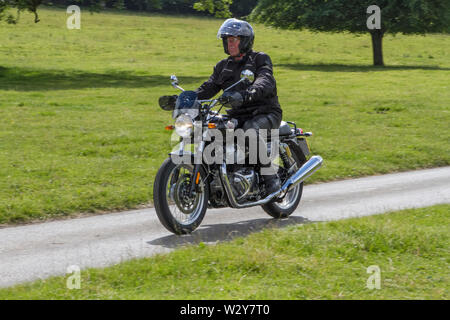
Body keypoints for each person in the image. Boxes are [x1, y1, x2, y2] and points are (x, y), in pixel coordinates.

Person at [195, 18, 282, 195]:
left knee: (250, 130)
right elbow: (209, 87)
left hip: (265, 112)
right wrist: (186, 97)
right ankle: (221, 176)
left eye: (233, 39)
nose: (230, 44)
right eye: (227, 40)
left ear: (245, 40)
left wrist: (250, 92)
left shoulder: (259, 59)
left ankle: (270, 177)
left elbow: (265, 79)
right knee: (212, 131)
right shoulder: (223, 66)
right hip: (238, 115)